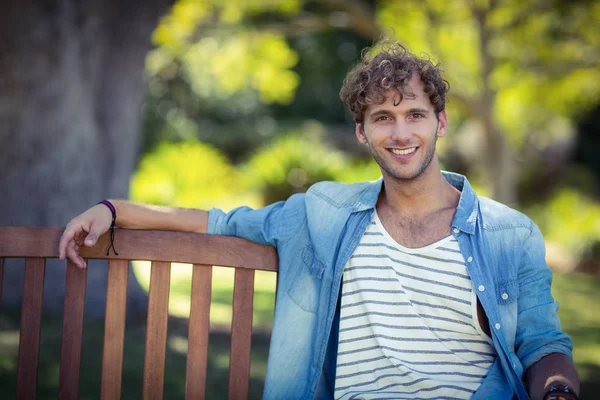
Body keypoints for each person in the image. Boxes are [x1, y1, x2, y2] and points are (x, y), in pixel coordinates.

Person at [59, 41, 579, 400]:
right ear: (361, 132)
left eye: (415, 114)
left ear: (440, 121)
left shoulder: (510, 234)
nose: (401, 133)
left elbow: (543, 345)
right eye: (383, 117)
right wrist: (112, 210)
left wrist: (556, 390)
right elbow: (221, 221)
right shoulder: (322, 214)